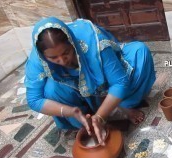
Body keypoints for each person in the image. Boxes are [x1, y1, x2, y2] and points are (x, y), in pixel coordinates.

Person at [25, 17, 156, 145]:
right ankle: (86, 119)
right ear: (43, 55)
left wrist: (100, 117)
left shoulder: (93, 41)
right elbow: (34, 100)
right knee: (51, 90)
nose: (62, 60)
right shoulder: (37, 61)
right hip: (76, 89)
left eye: (66, 53)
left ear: (72, 42)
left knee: (140, 52)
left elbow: (119, 83)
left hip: (105, 80)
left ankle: (121, 105)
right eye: (53, 58)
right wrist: (71, 111)